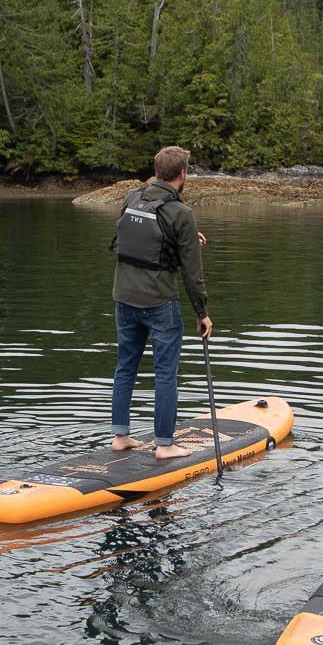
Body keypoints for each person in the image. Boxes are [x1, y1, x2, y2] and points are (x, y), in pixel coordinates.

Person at [111, 145, 211, 460]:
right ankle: (165, 445)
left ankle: (120, 437)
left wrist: (186, 236)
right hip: (159, 304)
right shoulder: (182, 213)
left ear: (156, 170)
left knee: (125, 367)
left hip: (124, 299)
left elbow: (139, 237)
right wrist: (202, 313)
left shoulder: (131, 198)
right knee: (166, 373)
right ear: (182, 174)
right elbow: (193, 276)